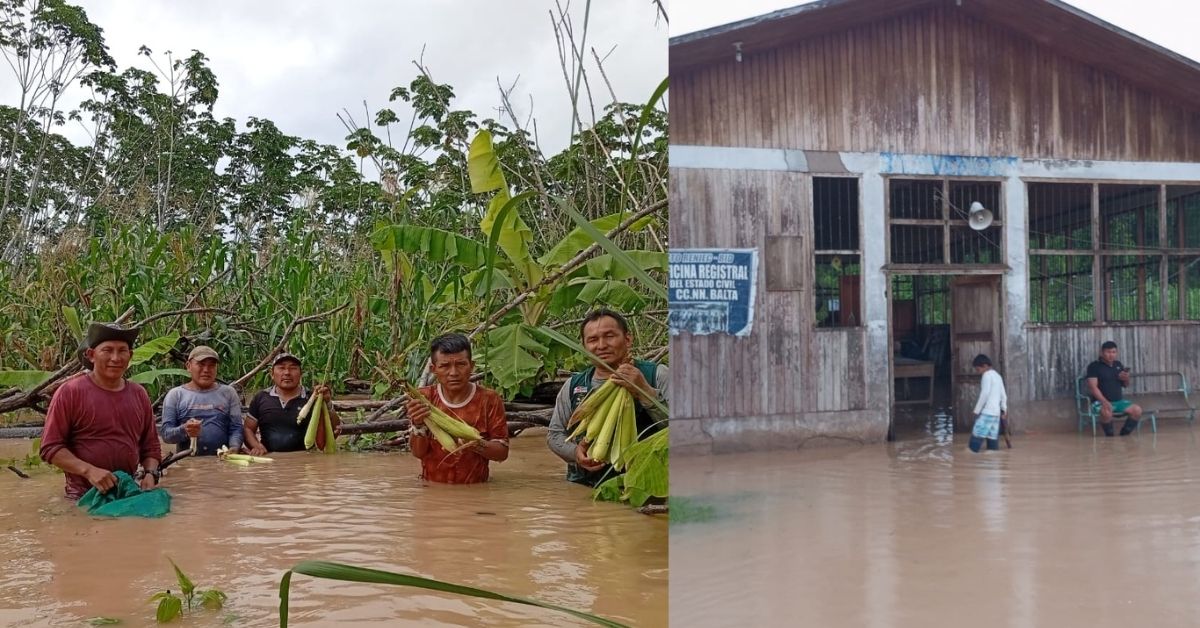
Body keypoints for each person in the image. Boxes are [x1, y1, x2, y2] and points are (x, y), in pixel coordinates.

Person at [39, 322, 163, 498]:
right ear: (91, 355)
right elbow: (50, 447)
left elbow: (151, 447)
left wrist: (151, 474)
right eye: (107, 350)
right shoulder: (70, 392)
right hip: (82, 497)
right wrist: (89, 471)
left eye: (122, 350)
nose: (116, 358)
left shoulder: (139, 394)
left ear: (130, 355)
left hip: (126, 492)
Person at [547, 308, 668, 486]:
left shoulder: (657, 375)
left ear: (628, 339)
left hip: (646, 485)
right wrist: (576, 453)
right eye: (593, 340)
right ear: (584, 346)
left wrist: (645, 391)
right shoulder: (573, 386)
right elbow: (554, 435)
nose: (602, 345)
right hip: (585, 487)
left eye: (610, 336)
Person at [405, 333, 509, 483]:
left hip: (475, 490)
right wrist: (418, 424)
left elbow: (502, 453)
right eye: (445, 366)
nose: (453, 373)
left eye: (461, 364)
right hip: (432, 490)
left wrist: (474, 443)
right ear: (434, 369)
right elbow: (418, 453)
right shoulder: (424, 399)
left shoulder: (489, 400)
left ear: (471, 366)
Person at [243, 352, 340, 454]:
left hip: (305, 461)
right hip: (270, 460)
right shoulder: (261, 397)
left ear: (300, 374)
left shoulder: (313, 398)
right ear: (272, 374)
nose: (287, 372)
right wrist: (257, 446)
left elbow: (334, 431)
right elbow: (248, 429)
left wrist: (328, 403)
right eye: (281, 368)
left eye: (293, 368)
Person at [158, 346, 244, 456]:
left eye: (211, 365)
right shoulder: (176, 395)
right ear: (188, 366)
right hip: (188, 463)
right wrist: (184, 430)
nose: (206, 370)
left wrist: (234, 448)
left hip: (222, 461)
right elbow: (166, 435)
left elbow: (236, 428)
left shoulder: (229, 393)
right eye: (201, 364)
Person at [1086, 340, 1143, 436]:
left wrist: (1126, 379)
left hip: (1118, 401)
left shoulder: (1118, 364)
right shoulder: (1094, 366)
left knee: (1137, 410)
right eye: (1108, 352)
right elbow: (1092, 387)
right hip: (1099, 402)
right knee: (1107, 412)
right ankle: (1110, 437)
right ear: (1102, 352)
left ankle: (1124, 435)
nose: (1111, 355)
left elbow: (1125, 385)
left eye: (1113, 352)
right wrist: (1104, 401)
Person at [967, 354, 1007, 452]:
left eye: (978, 369)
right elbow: (1003, 395)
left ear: (984, 366)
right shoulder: (998, 376)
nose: (978, 372)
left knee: (974, 441)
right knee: (992, 445)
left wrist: (976, 410)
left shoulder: (986, 375)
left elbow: (984, 394)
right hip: (996, 415)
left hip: (987, 413)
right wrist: (1004, 410)